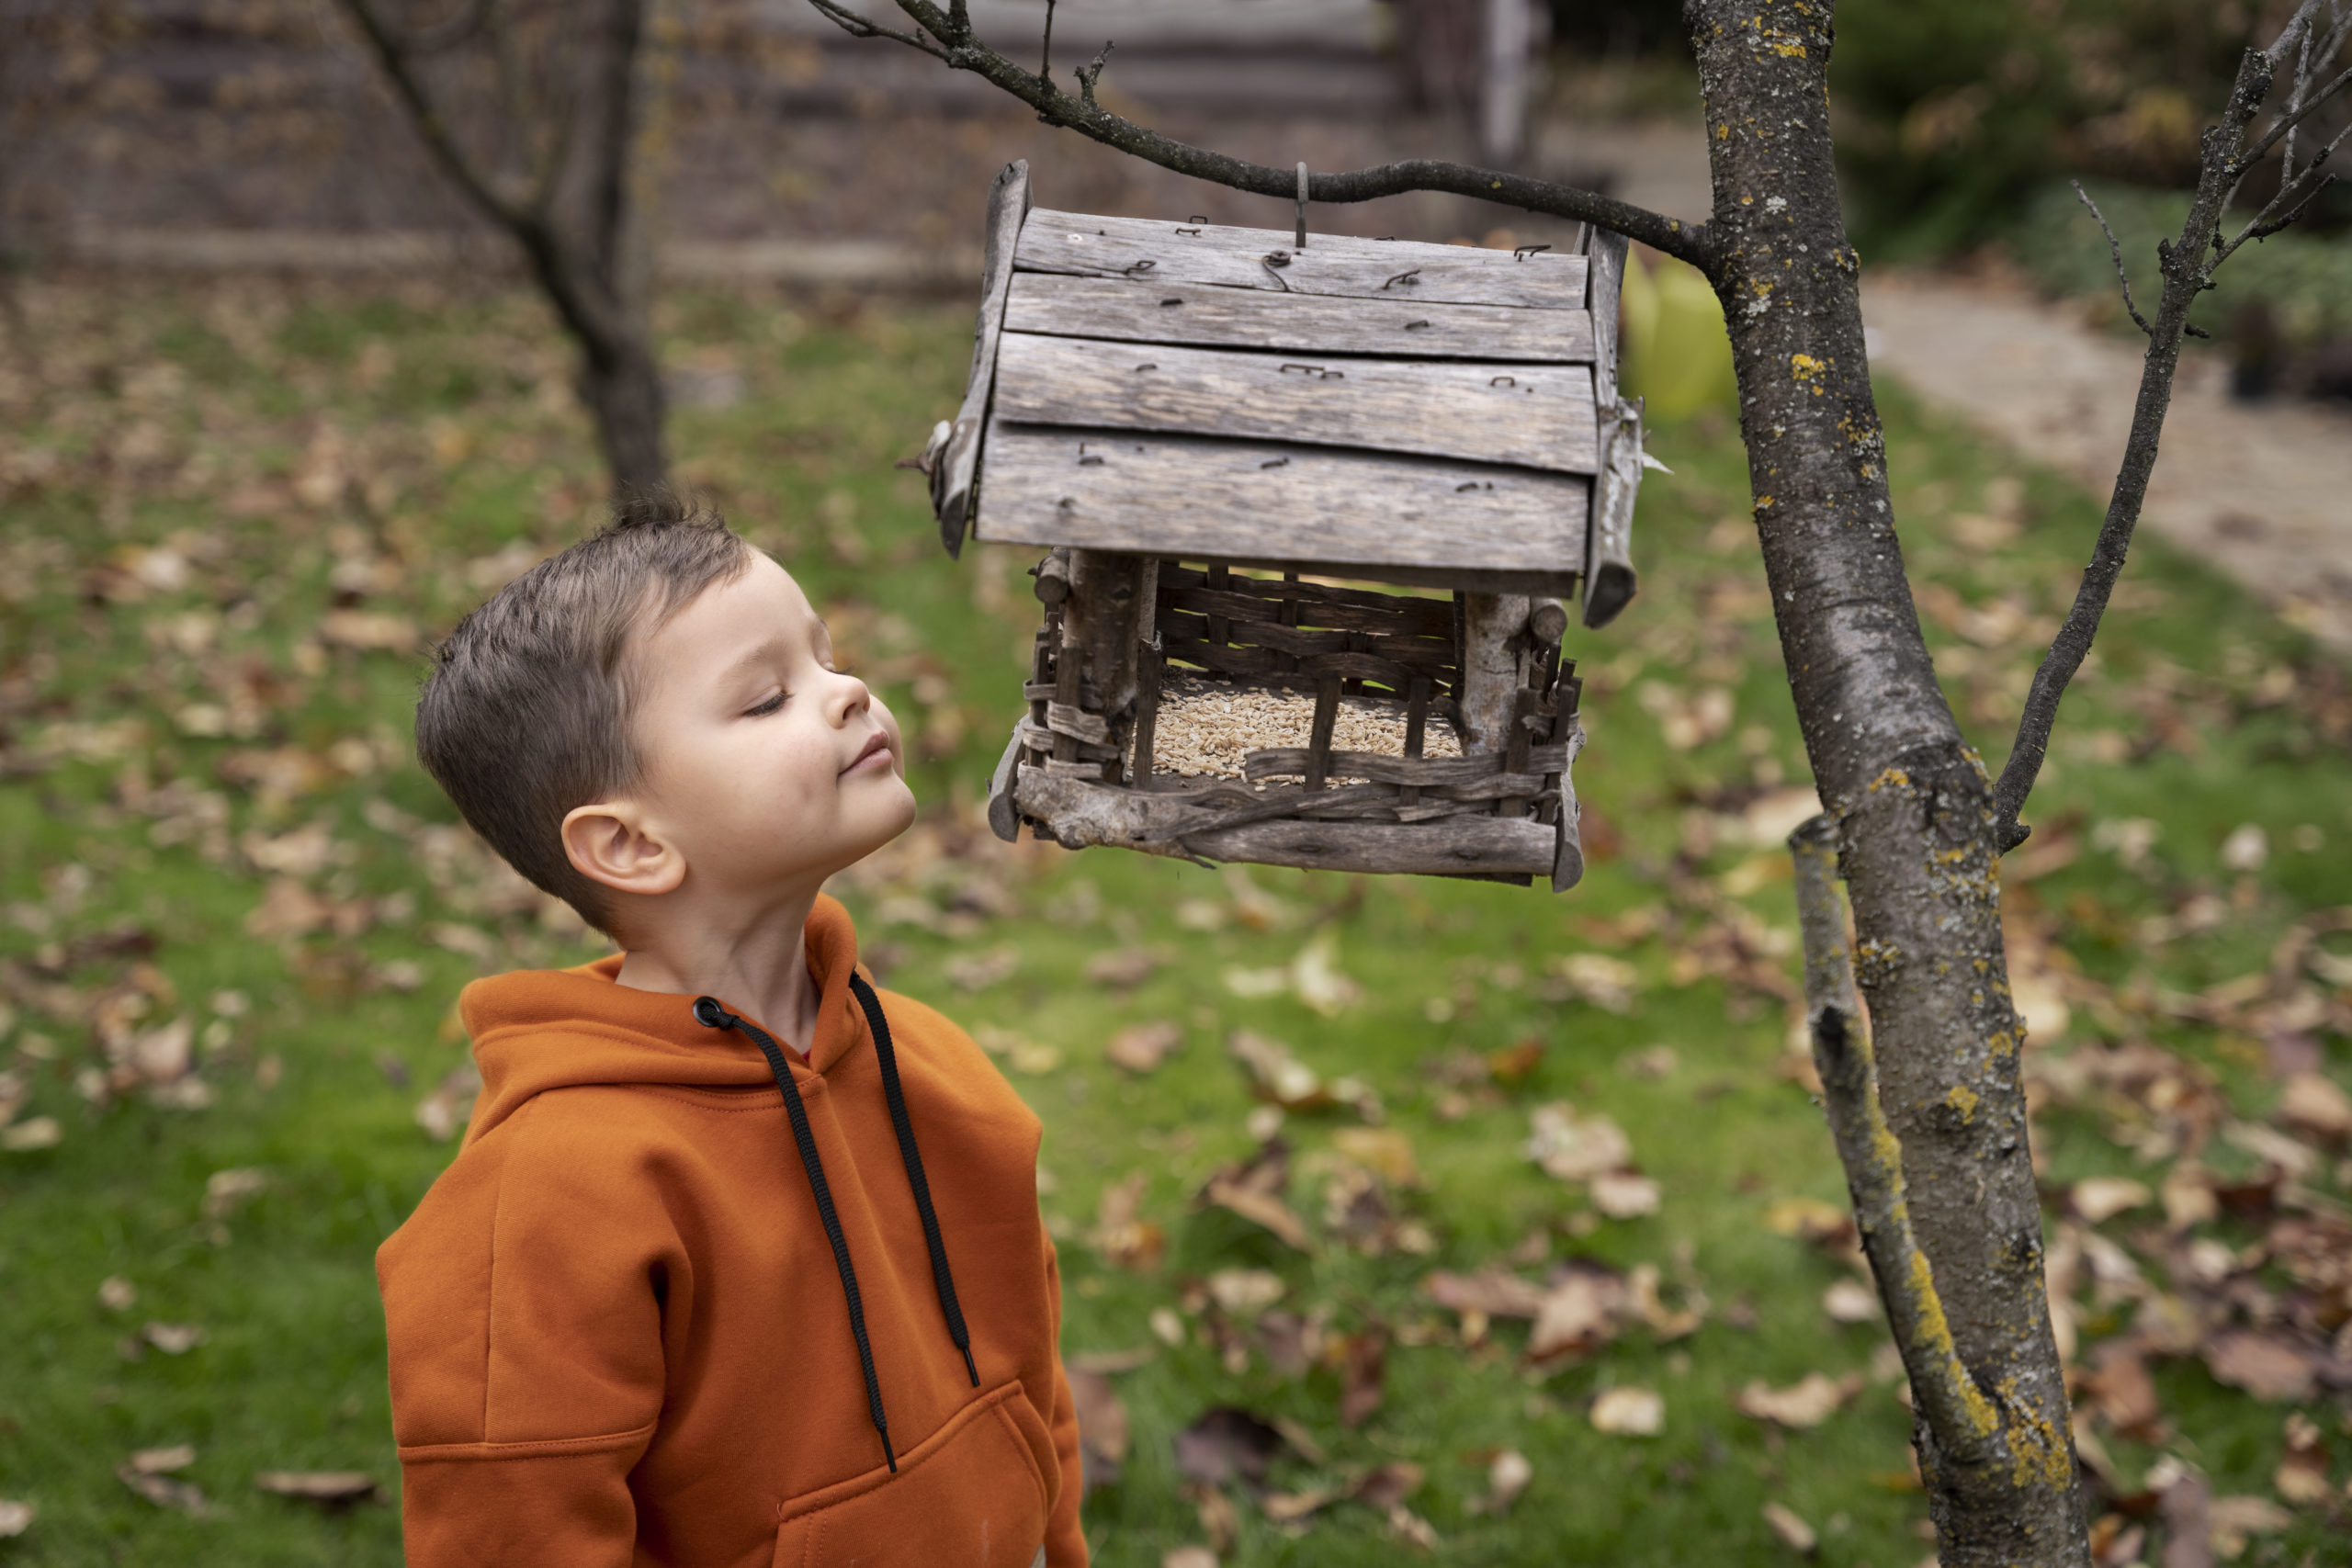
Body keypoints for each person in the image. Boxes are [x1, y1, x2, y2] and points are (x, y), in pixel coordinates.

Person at [379, 494, 1084, 1567]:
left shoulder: (938, 1073)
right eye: (766, 700)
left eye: (826, 658)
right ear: (626, 844)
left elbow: (1034, 1394)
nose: (847, 693)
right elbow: (510, 1534)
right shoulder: (546, 1200)